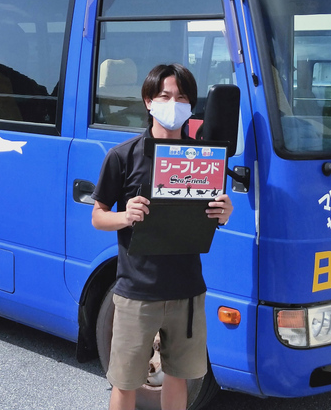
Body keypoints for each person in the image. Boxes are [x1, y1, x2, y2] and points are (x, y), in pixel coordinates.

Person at [91, 63, 233, 410]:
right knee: (125, 382)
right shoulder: (122, 156)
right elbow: (97, 216)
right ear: (148, 101)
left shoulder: (204, 158)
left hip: (187, 291)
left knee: (178, 377)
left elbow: (207, 216)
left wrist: (224, 214)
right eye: (165, 96)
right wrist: (125, 215)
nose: (174, 104)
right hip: (138, 291)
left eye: (182, 97)